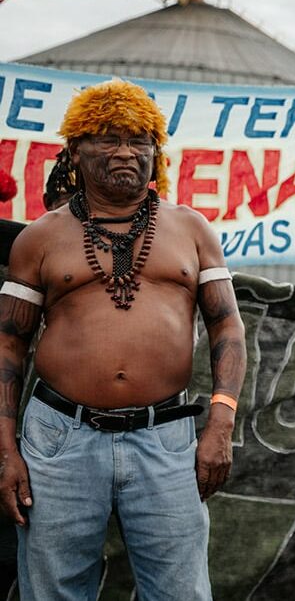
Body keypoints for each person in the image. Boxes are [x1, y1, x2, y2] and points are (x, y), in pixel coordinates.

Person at [0, 79, 245, 600]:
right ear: (75, 150)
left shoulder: (192, 229)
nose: (125, 151)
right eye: (107, 138)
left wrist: (221, 421)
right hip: (59, 437)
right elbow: (7, 345)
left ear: (156, 152)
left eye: (139, 139)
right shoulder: (40, 238)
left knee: (180, 592)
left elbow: (227, 326)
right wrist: (5, 449)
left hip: (165, 438)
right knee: (54, 591)